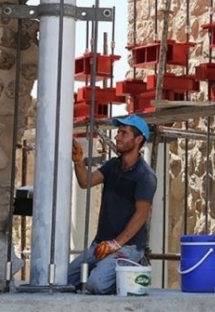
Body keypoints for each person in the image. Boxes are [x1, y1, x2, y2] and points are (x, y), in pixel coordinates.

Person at [67, 114, 157, 295]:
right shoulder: (112, 166)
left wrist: (115, 244)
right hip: (101, 245)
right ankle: (106, 270)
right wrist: (78, 162)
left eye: (124, 133)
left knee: (96, 284)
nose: (117, 137)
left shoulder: (145, 176)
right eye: (118, 132)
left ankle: (131, 268)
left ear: (138, 139)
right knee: (65, 280)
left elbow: (141, 215)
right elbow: (86, 182)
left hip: (128, 247)